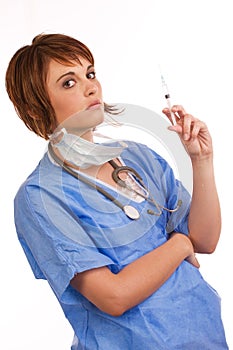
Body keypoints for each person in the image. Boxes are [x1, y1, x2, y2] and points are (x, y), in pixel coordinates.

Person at [6, 33, 228, 349]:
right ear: (34, 109)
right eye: (69, 82)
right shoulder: (41, 197)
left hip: (203, 336)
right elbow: (114, 296)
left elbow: (204, 239)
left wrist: (201, 159)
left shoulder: (138, 157)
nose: (90, 86)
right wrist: (179, 244)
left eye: (90, 73)